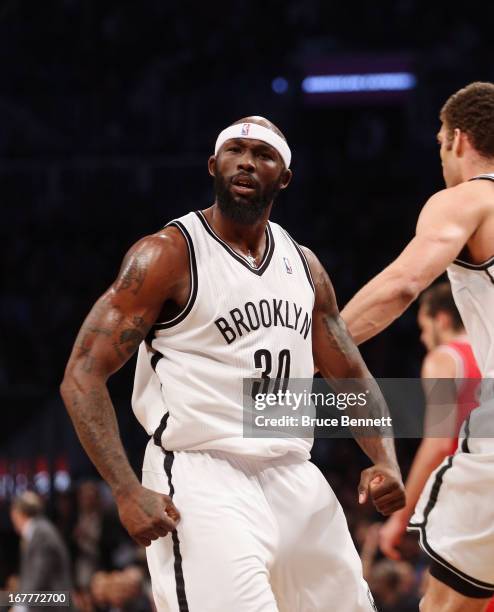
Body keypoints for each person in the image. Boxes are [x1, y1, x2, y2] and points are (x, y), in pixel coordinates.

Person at [61, 115, 405, 612]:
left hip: (295, 472)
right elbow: (82, 374)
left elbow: (350, 374)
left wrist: (386, 460)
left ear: (283, 178)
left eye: (263, 155)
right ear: (213, 165)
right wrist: (126, 489)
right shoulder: (167, 255)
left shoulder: (304, 266)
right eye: (235, 151)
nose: (246, 161)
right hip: (202, 475)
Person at [341, 81, 494, 611]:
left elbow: (402, 284)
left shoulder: (469, 197)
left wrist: (314, 341)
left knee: (447, 606)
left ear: (457, 139)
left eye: (438, 142)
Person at [380, 282, 481, 561]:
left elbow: (437, 445)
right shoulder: (489, 354)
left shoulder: (444, 360)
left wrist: (399, 519)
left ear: (442, 319)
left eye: (424, 328)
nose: (423, 339)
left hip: (468, 497)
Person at [10, 491, 72, 610]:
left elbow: (39, 576)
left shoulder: (42, 534)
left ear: (18, 513)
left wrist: (20, 607)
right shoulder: (35, 533)